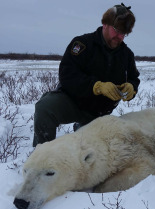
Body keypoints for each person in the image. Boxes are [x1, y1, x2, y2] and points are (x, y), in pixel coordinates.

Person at [33, 3, 140, 147]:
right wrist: (96, 86)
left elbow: (134, 78)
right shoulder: (82, 44)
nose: (120, 36)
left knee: (89, 148)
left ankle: (82, 128)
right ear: (105, 24)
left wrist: (131, 87)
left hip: (99, 114)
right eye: (117, 30)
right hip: (72, 102)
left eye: (124, 33)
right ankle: (41, 153)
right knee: (45, 107)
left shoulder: (127, 55)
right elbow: (67, 75)